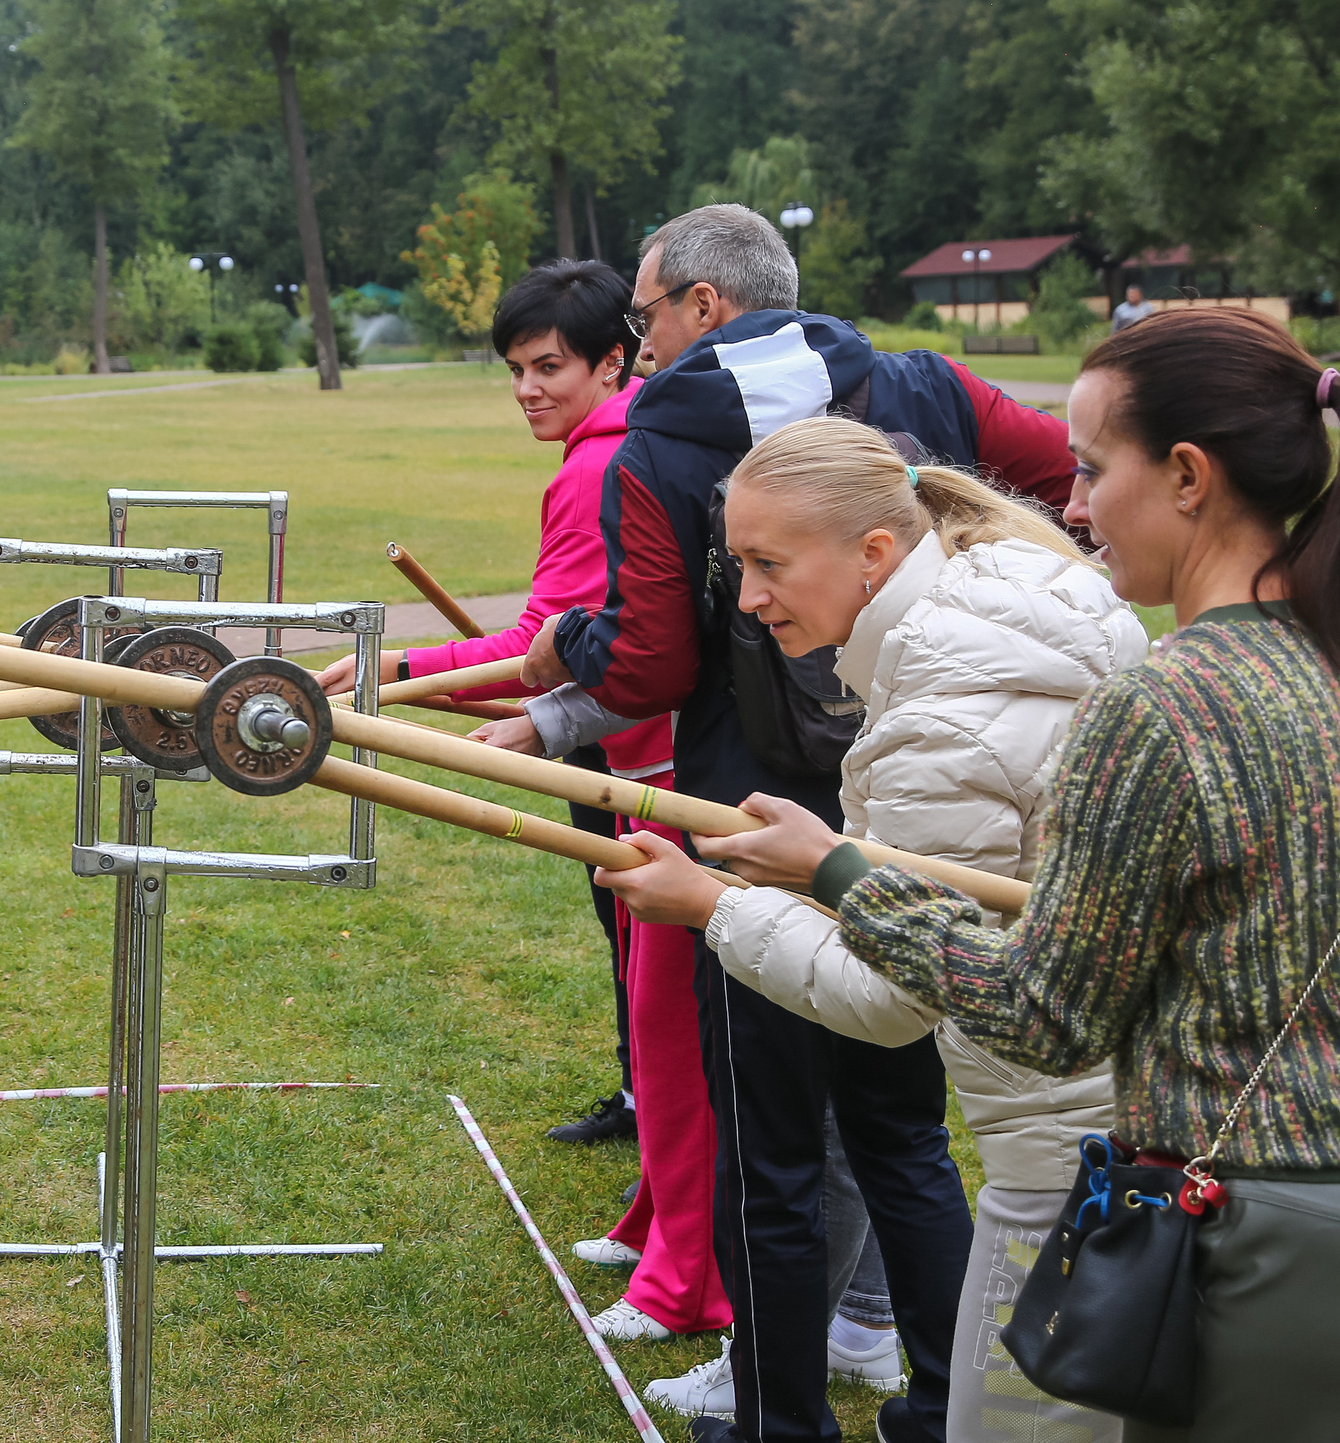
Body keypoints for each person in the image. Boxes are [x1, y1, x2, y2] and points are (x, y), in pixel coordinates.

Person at [674, 309, 1340, 1443]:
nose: (1068, 508)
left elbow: (1046, 1011)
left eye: (1087, 469)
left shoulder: (1168, 703)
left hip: (1228, 1214)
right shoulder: (1310, 658)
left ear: (1185, 476)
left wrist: (819, 875)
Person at [515, 204, 1079, 1443]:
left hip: (752, 802)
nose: (639, 340)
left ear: (705, 306)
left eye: (646, 315)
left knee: (769, 1144)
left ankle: (780, 1419)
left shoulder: (662, 426)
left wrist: (567, 649)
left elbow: (652, 663)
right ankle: (937, 1397)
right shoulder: (918, 377)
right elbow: (1060, 470)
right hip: (905, 784)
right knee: (900, 1131)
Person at [598, 414, 1139, 1443]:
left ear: (875, 554)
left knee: (1024, 1421)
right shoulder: (1004, 599)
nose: (747, 601)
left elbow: (889, 1001)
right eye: (737, 564)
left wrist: (710, 905)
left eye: (766, 565)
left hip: (1063, 1135)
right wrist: (822, 863)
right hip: (1104, 1107)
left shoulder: (944, 708)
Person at [313, 261, 723, 1346]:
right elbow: (554, 648)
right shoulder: (612, 448)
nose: (528, 389)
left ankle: (689, 1275)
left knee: (674, 1038)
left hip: (661, 783)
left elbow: (543, 650)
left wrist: (384, 670)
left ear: (612, 363)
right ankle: (656, 1225)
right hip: (633, 774)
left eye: (551, 367)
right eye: (516, 370)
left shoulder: (607, 466)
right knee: (653, 1026)